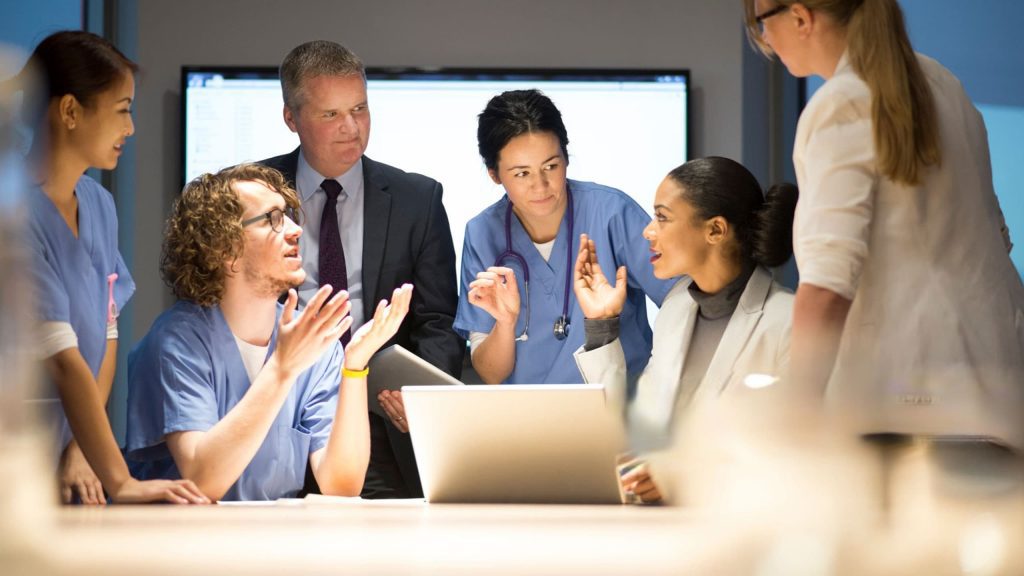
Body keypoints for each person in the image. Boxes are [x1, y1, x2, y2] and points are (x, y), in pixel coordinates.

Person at [745, 0, 1024, 447]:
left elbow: (827, 284)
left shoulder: (840, 103)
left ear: (800, 17)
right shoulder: (944, 83)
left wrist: (796, 415)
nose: (765, 41)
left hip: (904, 404)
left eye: (762, 24)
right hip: (992, 386)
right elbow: (997, 237)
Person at [125, 163, 411, 501]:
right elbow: (202, 484)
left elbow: (341, 485)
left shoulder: (315, 343)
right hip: (182, 541)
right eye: (273, 219)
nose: (295, 230)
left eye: (289, 215)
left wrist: (354, 366)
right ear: (224, 249)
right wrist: (281, 369)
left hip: (271, 539)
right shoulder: (177, 342)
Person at [259, 40, 462, 499]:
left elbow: (437, 322)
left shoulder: (417, 199)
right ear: (291, 119)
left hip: (378, 421)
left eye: (360, 109)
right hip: (275, 415)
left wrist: (421, 401)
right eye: (331, 114)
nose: (352, 128)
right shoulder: (250, 192)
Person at [24, 30, 207, 505]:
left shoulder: (99, 204)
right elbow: (64, 361)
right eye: (122, 109)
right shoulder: (15, 215)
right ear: (69, 112)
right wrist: (122, 480)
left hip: (75, 456)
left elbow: (105, 334)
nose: (130, 128)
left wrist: (82, 449)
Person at [574, 157, 797, 502]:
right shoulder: (677, 309)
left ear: (715, 231)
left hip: (736, 536)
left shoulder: (788, 322)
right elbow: (640, 434)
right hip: (657, 529)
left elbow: (790, 460)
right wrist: (602, 326)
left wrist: (679, 476)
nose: (648, 231)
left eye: (662, 217)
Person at [453, 89, 675, 385]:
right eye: (522, 174)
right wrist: (505, 325)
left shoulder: (611, 213)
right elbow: (491, 373)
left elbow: (682, 300)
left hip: (621, 411)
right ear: (494, 174)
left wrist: (661, 386)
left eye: (551, 166)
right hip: (530, 420)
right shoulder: (482, 233)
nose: (540, 185)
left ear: (566, 158)